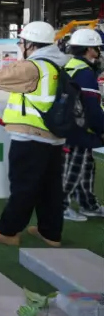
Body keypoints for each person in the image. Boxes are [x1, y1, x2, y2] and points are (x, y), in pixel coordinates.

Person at [0, 21, 68, 247]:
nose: (19, 46)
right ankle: (50, 232)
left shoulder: (33, 66)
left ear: (30, 44)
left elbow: (1, 79)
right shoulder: (57, 64)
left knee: (23, 185)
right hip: (53, 136)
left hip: (30, 134)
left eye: (21, 42)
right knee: (50, 187)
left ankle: (7, 231)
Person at [61, 29, 105, 221]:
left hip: (69, 124)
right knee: (73, 169)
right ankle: (60, 207)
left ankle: (88, 204)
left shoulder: (70, 65)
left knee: (86, 166)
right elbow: (91, 106)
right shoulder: (85, 73)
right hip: (79, 127)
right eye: (97, 47)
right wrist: (101, 129)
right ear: (89, 49)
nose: (99, 51)